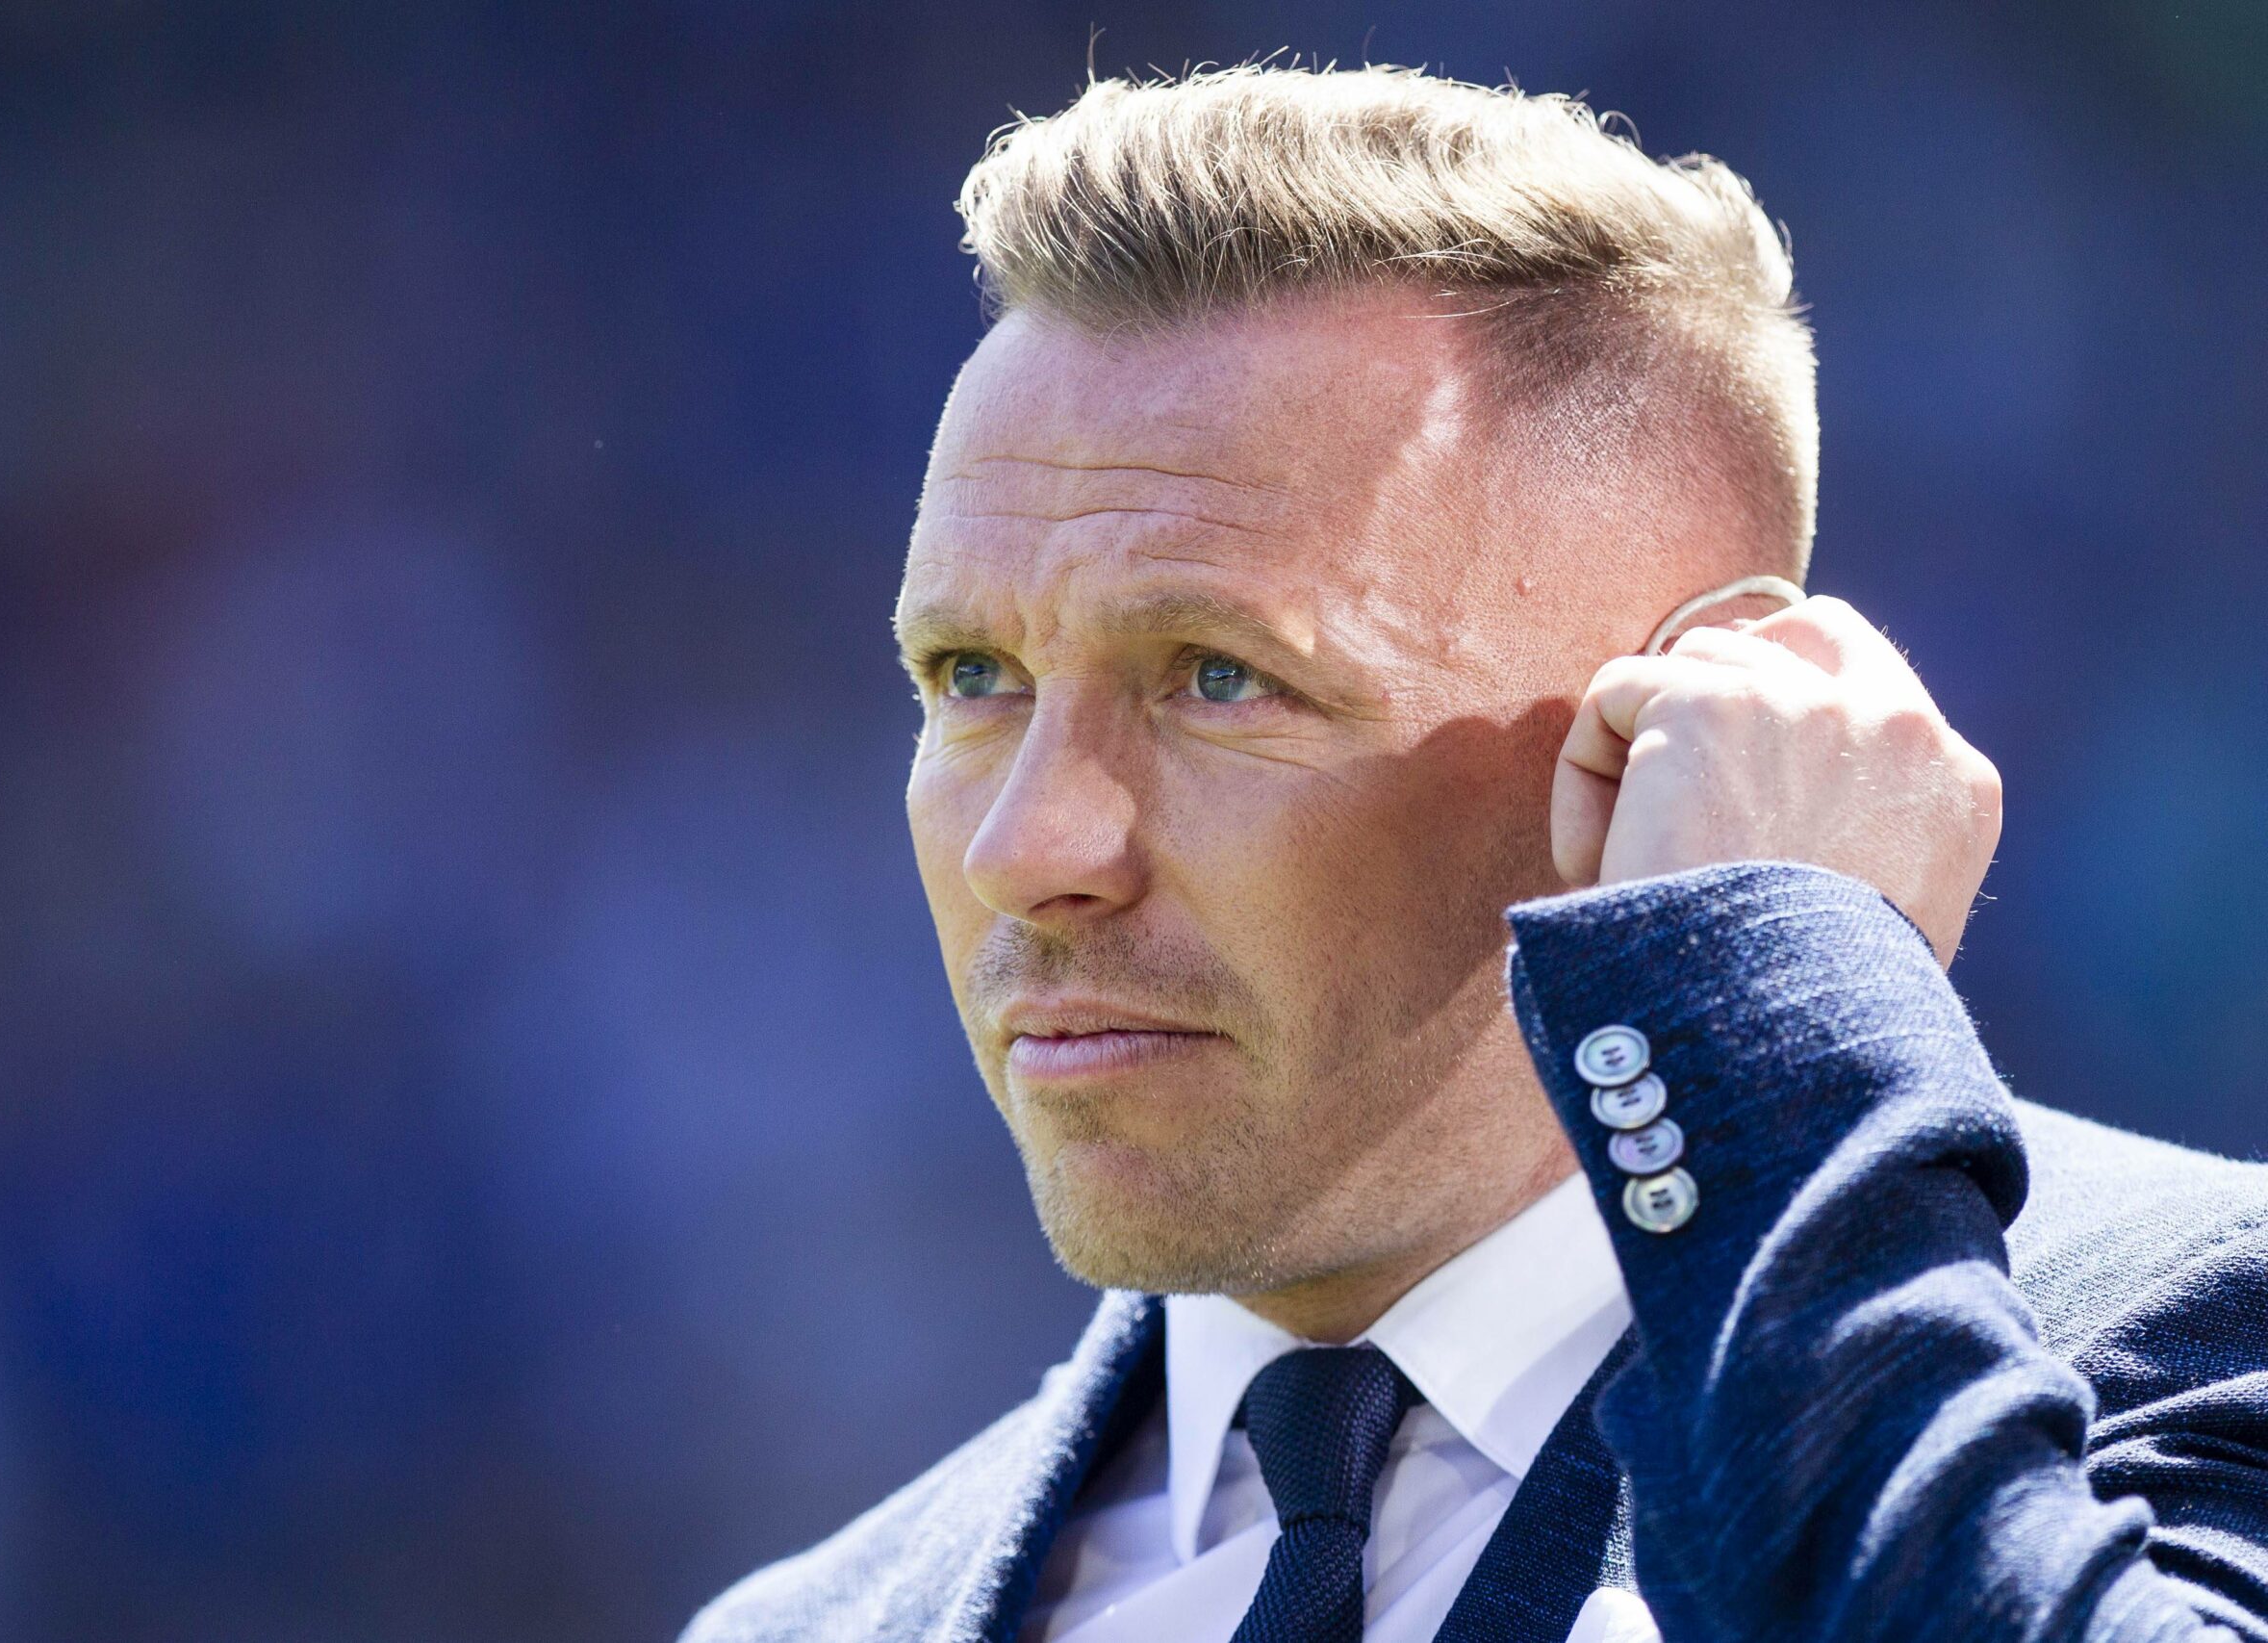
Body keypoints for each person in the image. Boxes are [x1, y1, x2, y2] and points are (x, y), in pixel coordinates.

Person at [682, 65, 2268, 1643]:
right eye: (972, 677)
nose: (1028, 848)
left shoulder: (2191, 1353)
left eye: (1219, 676)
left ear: (1700, 710)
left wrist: (1770, 1021)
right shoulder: (804, 1629)